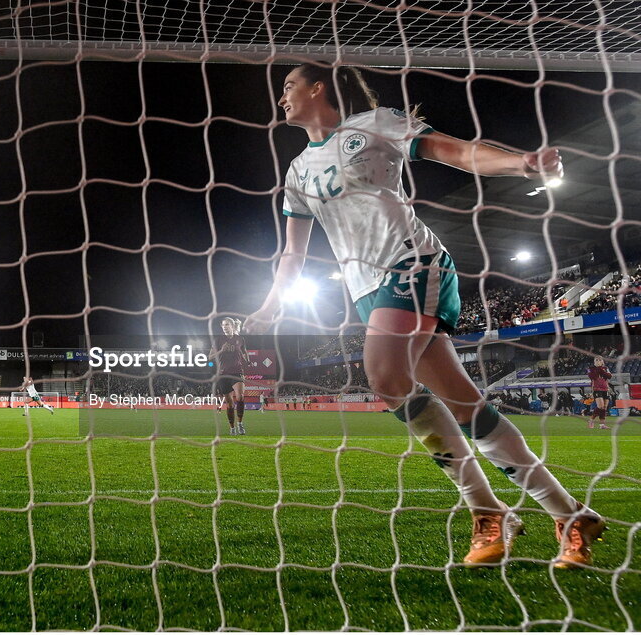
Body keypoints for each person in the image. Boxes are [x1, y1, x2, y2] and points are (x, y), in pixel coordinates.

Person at [243, 63, 603, 567]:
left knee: (385, 376)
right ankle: (569, 514)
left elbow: (454, 151)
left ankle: (487, 511)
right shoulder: (298, 170)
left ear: (318, 87)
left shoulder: (374, 124)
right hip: (366, 289)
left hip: (410, 263)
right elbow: (292, 255)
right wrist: (268, 308)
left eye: (289, 86)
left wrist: (521, 163)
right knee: (466, 407)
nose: (282, 97)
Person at [210, 317, 248, 435]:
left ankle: (240, 424)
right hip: (223, 374)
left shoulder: (240, 339)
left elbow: (244, 351)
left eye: (227, 324)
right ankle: (232, 428)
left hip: (237, 371)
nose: (225, 327)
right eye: (223, 325)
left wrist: (247, 358)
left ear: (232, 326)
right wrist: (221, 350)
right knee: (230, 404)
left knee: (240, 397)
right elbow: (209, 357)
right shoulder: (218, 340)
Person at [586, 357, 613, 430]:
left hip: (605, 389)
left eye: (600, 360)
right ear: (594, 362)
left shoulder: (606, 368)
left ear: (603, 361)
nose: (598, 361)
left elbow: (609, 376)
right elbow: (592, 376)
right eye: (596, 360)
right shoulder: (590, 368)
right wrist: (599, 368)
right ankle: (591, 420)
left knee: (604, 408)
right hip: (596, 389)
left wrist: (601, 368)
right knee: (600, 406)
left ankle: (602, 425)